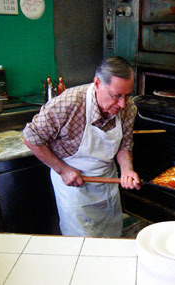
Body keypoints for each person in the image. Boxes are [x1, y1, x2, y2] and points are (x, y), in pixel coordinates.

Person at [23, 56, 141, 238]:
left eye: (127, 95)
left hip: (106, 182)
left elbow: (124, 143)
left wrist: (127, 170)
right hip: (73, 186)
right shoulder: (68, 104)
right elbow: (31, 137)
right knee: (81, 246)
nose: (123, 104)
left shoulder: (128, 107)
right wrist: (63, 170)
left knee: (111, 238)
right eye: (116, 95)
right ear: (97, 83)